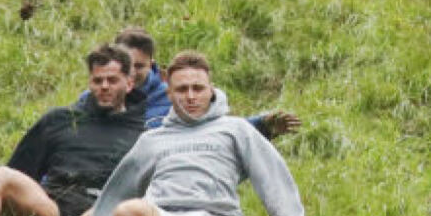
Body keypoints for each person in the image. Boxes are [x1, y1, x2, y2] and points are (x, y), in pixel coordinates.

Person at [59, 52, 321, 216]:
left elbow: (270, 173)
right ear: (169, 94)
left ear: (211, 90)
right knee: (128, 212)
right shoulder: (153, 140)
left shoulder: (235, 130)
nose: (191, 96)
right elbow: (117, 192)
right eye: (182, 89)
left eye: (198, 88)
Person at [0, 44, 145, 216]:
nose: (104, 86)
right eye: (97, 80)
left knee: (117, 207)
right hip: (52, 210)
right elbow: (19, 172)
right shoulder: (58, 120)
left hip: (105, 210)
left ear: (129, 83)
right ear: (90, 83)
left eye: (112, 80)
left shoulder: (144, 134)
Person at [113, 26, 299, 139]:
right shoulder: (97, 97)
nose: (131, 73)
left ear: (151, 64)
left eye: (139, 66)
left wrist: (262, 125)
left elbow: (216, 128)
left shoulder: (173, 96)